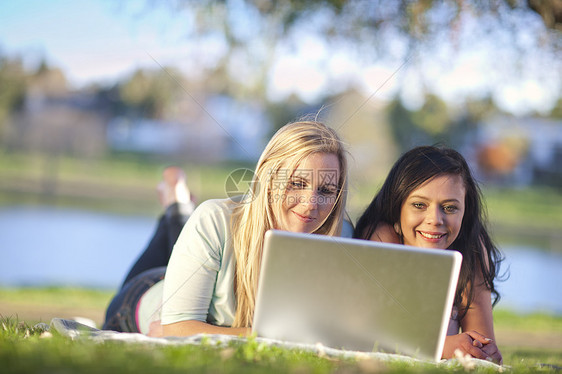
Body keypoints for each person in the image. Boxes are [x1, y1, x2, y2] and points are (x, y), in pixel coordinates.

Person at [103, 120, 350, 337]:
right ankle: (177, 205)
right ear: (268, 178)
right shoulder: (214, 219)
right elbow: (176, 330)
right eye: (297, 183)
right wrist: (263, 336)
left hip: (199, 272)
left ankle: (179, 205)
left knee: (192, 235)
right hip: (146, 294)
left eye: (326, 190)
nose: (311, 204)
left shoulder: (344, 237)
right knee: (194, 224)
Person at [354, 145, 503, 364]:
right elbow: (376, 336)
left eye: (450, 208)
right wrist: (443, 347)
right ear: (398, 207)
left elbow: (481, 342)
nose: (435, 219)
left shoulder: (471, 246)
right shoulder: (382, 237)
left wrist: (483, 351)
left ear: (465, 210)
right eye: (419, 205)